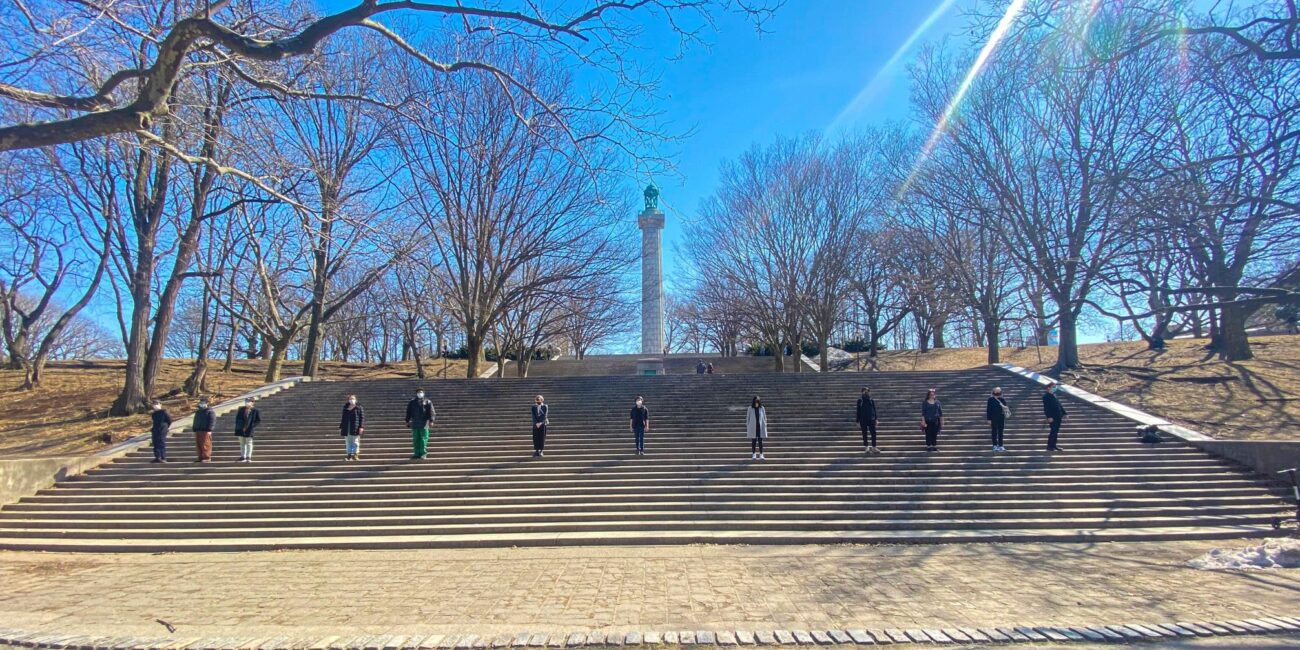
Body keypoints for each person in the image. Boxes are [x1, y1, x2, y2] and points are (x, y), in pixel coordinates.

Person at [405, 388, 435, 460]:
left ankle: (423, 453)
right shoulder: (412, 402)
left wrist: (431, 421)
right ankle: (416, 453)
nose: (420, 393)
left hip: (424, 424)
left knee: (423, 439)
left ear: (423, 393)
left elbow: (431, 412)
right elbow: (408, 412)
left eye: (421, 392)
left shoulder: (428, 402)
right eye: (418, 392)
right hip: (415, 423)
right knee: (416, 439)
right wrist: (407, 421)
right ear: (416, 393)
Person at [233, 397, 262, 463]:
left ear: (252, 402)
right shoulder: (241, 409)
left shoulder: (255, 411)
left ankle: (248, 457)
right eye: (246, 401)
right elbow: (237, 419)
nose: (247, 402)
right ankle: (243, 456)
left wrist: (252, 426)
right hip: (241, 429)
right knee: (242, 443)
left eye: (249, 401)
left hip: (249, 429)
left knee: (249, 443)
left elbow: (258, 420)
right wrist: (239, 426)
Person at [1042, 381, 1067, 452]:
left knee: (1055, 431)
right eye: (1053, 387)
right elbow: (1046, 408)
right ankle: (1050, 446)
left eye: (1055, 387)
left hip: (1058, 416)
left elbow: (1059, 405)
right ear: (1048, 388)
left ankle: (1054, 445)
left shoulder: (1054, 395)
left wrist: (1064, 413)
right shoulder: (1046, 396)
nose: (1055, 388)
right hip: (1052, 417)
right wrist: (1049, 417)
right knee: (1053, 431)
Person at [340, 394, 365, 461]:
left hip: (355, 427)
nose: (352, 400)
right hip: (347, 427)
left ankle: (355, 455)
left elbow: (362, 418)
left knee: (355, 441)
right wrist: (341, 427)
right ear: (348, 400)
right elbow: (343, 418)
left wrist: (361, 427)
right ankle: (349, 455)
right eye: (350, 399)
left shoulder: (359, 407)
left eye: (353, 398)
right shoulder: (345, 407)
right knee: (348, 441)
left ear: (356, 399)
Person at [855, 387, 879, 454]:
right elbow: (858, 411)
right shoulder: (860, 401)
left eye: (867, 391)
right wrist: (857, 421)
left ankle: (874, 447)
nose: (866, 392)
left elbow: (874, 410)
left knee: (873, 433)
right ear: (862, 392)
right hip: (863, 420)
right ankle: (866, 447)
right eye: (865, 391)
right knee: (864, 434)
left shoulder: (871, 400)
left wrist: (876, 419)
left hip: (871, 419)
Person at [192, 398, 215, 463]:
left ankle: (207, 457)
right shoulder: (198, 412)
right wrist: (194, 428)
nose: (201, 404)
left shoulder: (210, 411)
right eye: (201, 402)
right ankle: (200, 457)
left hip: (205, 431)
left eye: (203, 403)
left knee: (206, 444)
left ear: (206, 404)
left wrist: (209, 429)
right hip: (198, 430)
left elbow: (212, 421)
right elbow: (195, 420)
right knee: (199, 445)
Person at [986, 387, 1009, 452]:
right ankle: (995, 445)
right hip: (993, 418)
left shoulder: (1002, 399)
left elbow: (1005, 408)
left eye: (999, 391)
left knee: (1001, 432)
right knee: (994, 432)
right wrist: (989, 419)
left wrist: (1005, 407)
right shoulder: (990, 399)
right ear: (993, 391)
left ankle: (1001, 445)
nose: (997, 392)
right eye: (996, 391)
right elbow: (988, 410)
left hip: (1001, 418)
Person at [746, 395, 768, 460]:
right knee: (754, 441)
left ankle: (761, 454)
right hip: (753, 427)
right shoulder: (750, 408)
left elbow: (764, 417)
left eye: (758, 402)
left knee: (760, 441)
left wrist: (765, 424)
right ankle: (754, 454)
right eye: (755, 402)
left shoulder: (762, 408)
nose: (756, 403)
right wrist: (748, 426)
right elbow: (748, 418)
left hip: (760, 427)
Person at [921, 388, 943, 452]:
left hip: (935, 421)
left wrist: (942, 422)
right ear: (928, 395)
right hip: (927, 421)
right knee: (928, 434)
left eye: (933, 394)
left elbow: (940, 412)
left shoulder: (938, 403)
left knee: (934, 434)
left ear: (935, 395)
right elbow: (923, 413)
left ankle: (934, 446)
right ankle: (928, 446)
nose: (932, 396)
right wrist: (923, 421)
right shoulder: (925, 402)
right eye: (931, 394)